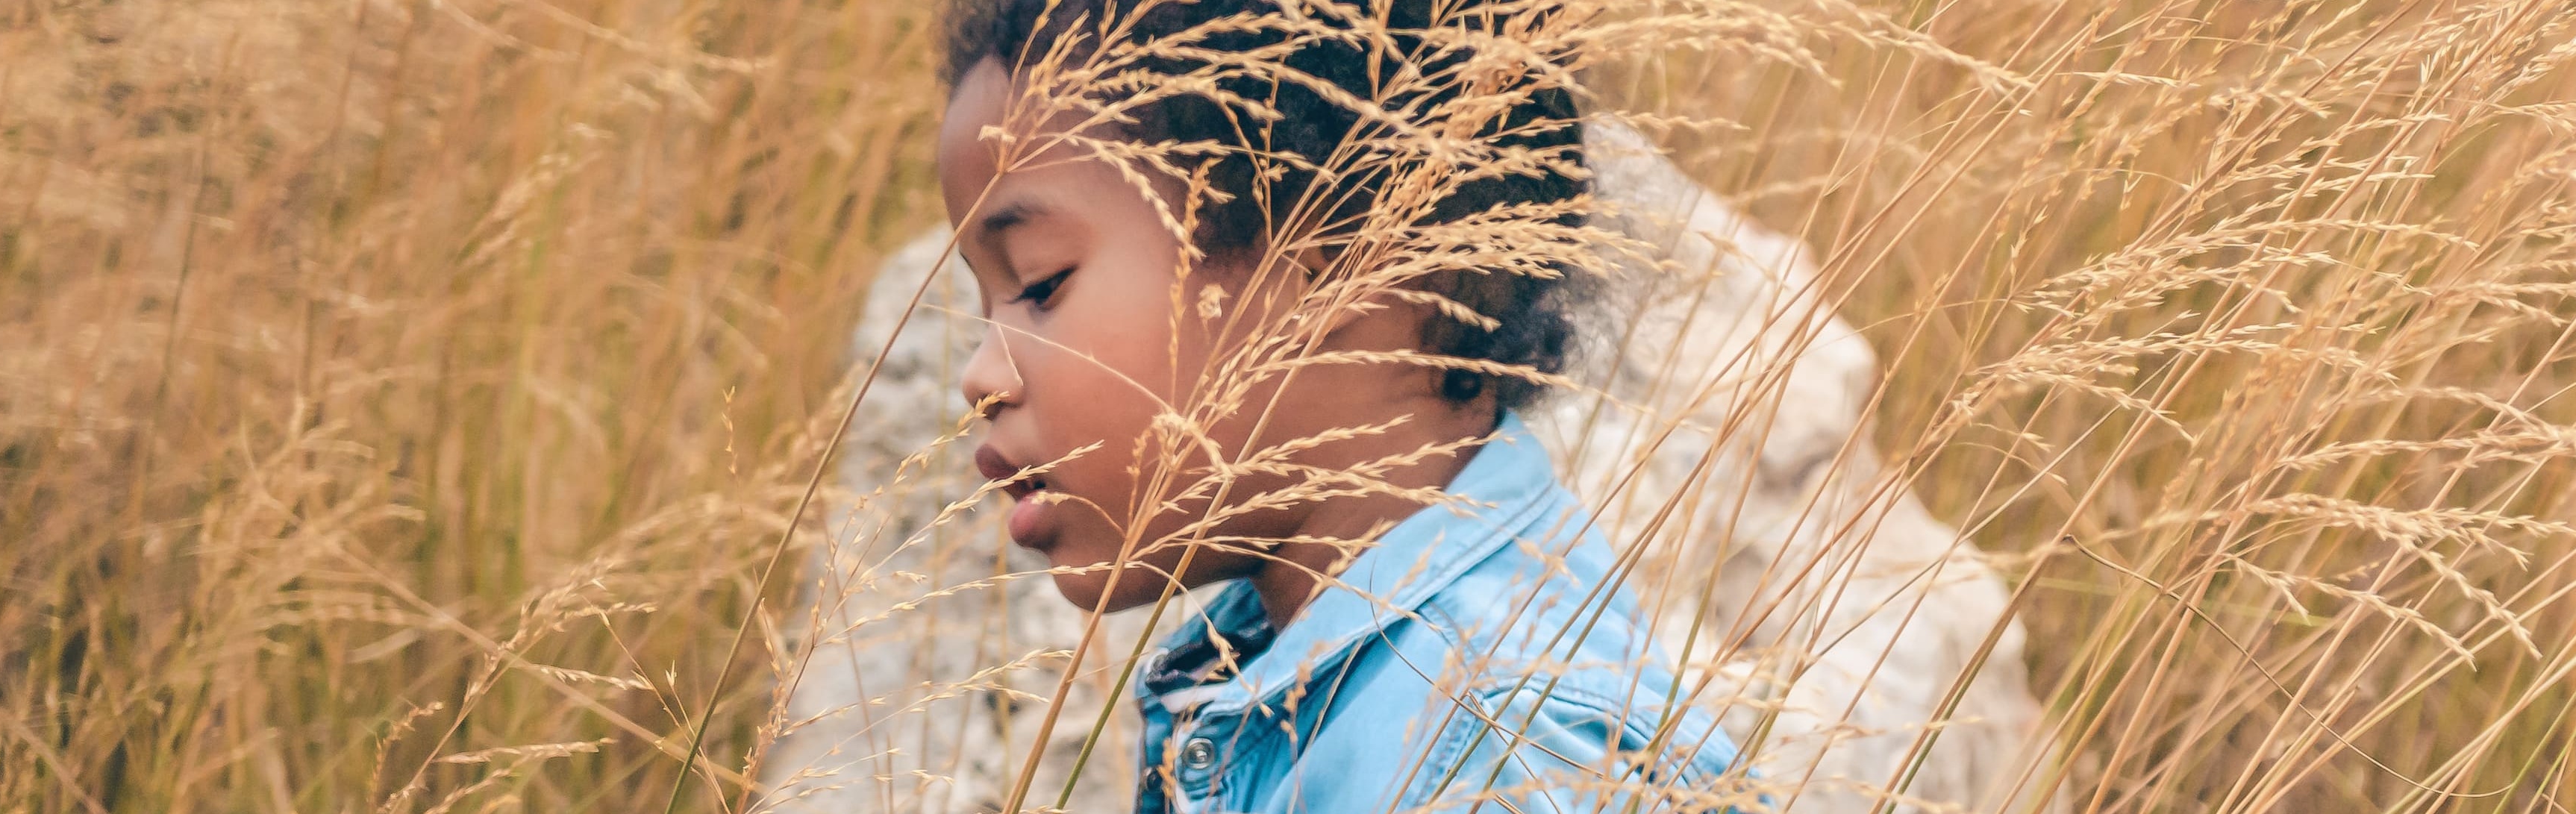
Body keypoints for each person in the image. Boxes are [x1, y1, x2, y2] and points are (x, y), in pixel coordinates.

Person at [757, 0, 2058, 810]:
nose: (983, 373)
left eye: (1037, 282)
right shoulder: (1288, 674)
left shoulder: (1491, 744)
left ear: (1333, 260)